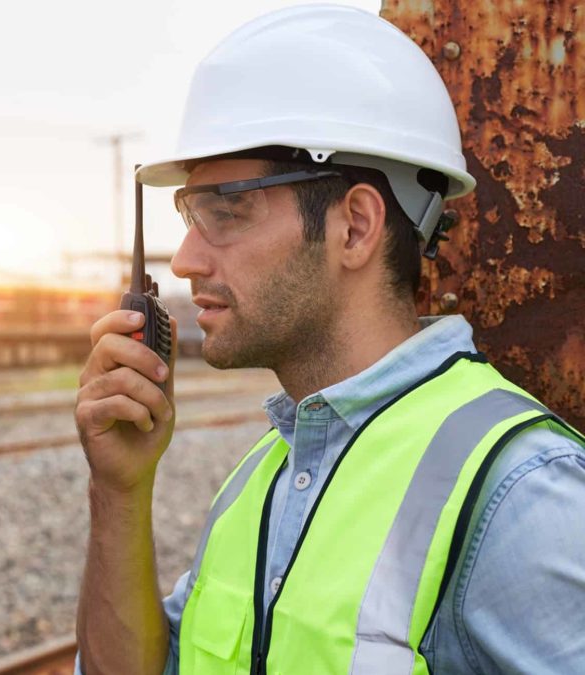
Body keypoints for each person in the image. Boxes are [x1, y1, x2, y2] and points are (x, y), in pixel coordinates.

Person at [73, 5, 585, 674]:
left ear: (355, 227)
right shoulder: (258, 481)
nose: (186, 260)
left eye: (226, 211)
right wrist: (118, 490)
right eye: (189, 216)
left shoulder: (520, 494)